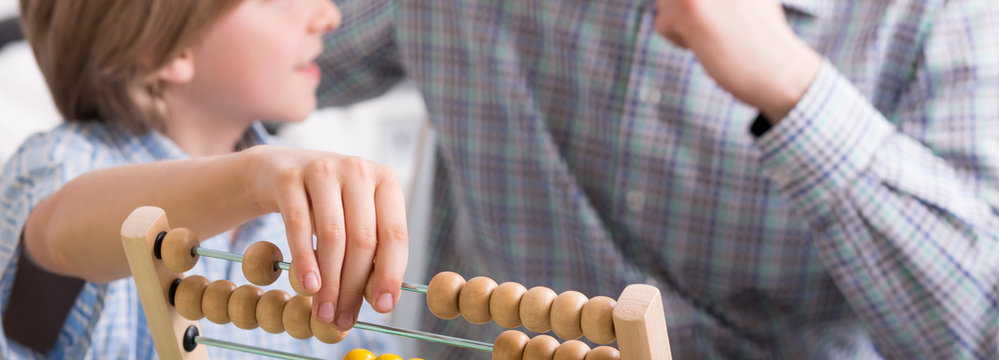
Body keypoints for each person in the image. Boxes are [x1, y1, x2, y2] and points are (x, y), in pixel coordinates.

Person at [317, 0, 999, 358]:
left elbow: (977, 336)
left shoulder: (942, 17)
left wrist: (793, 88)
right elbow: (264, 49)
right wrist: (265, 168)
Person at [0, 0, 411, 358]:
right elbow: (57, 237)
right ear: (167, 46)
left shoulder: (312, 207)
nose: (330, 16)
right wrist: (250, 179)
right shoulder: (57, 166)